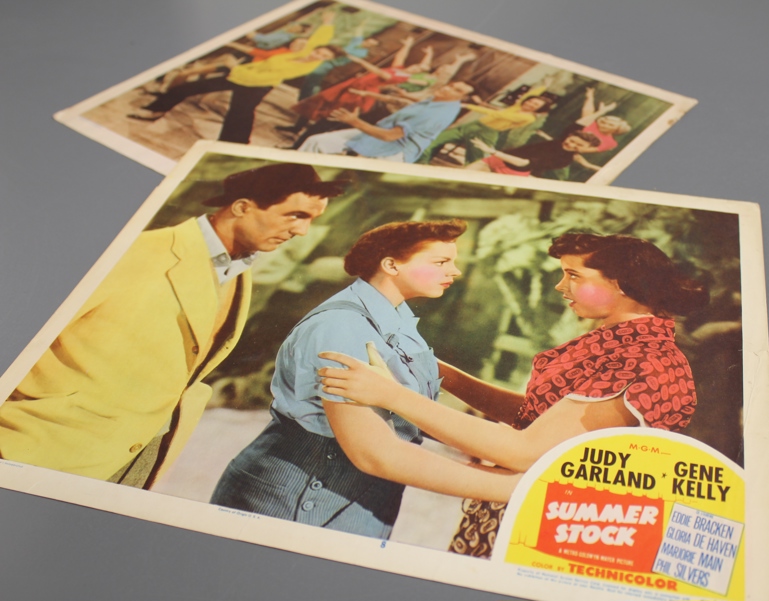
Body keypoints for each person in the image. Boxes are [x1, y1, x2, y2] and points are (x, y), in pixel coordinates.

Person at [318, 233, 709, 555]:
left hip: (557, 534)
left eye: (574, 275)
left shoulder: (642, 359)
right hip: (519, 512)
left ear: (622, 284)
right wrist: (445, 375)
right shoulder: (618, 344)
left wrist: (391, 395)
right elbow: (541, 418)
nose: (560, 286)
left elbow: (525, 449)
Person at [0, 163, 345, 489]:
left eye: (310, 220)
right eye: (295, 215)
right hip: (39, 446)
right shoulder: (135, 251)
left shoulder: (240, 274)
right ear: (241, 207)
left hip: (139, 459)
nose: (302, 231)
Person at [211, 220, 520, 539]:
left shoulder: (395, 319)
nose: (455, 272)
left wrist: (510, 447)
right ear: (391, 265)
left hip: (353, 489)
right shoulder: (345, 327)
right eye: (441, 262)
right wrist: (513, 487)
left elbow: (412, 413)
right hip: (305, 490)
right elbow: (377, 453)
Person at [127, 15, 341, 144]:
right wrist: (328, 22)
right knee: (191, 88)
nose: (318, 55)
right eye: (320, 52)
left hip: (255, 83)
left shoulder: (305, 64)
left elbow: (264, 73)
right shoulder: (303, 52)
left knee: (240, 112)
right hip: (241, 76)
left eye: (323, 57)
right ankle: (154, 110)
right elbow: (319, 38)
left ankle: (233, 144)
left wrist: (234, 67)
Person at [287, 36, 475, 146]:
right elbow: (404, 58)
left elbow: (379, 73)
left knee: (329, 121)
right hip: (349, 90)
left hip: (358, 97)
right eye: (416, 66)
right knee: (320, 111)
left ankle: (304, 144)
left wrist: (361, 62)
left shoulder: (402, 77)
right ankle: (302, 137)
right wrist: (409, 45)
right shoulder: (399, 68)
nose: (417, 67)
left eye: (419, 70)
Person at [297, 81, 474, 162]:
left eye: (455, 90)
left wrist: (354, 121)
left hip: (394, 151)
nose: (446, 88)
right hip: (379, 134)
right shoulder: (437, 100)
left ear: (460, 98)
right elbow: (404, 103)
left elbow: (390, 137)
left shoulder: (437, 114)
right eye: (450, 84)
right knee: (317, 141)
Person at [417, 79, 554, 165]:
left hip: (486, 134)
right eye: (530, 102)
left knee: (475, 161)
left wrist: (469, 106)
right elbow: (527, 96)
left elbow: (495, 114)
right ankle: (421, 164)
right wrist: (544, 86)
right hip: (471, 127)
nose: (530, 104)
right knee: (431, 141)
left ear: (539, 110)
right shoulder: (517, 107)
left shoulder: (527, 118)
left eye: (535, 105)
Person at [465, 130, 601, 177]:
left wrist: (492, 151)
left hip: (513, 173)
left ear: (584, 149)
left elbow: (524, 163)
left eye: (578, 145)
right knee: (464, 174)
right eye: (571, 140)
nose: (571, 144)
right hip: (496, 160)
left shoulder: (563, 161)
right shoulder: (556, 142)